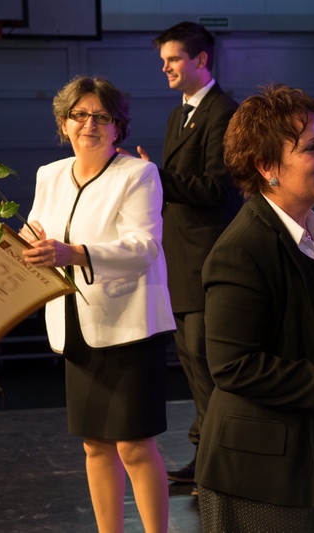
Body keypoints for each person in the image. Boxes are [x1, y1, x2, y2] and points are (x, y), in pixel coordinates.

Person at [195, 84, 314, 533]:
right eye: (311, 148)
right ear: (267, 168)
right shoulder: (242, 249)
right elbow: (233, 366)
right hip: (265, 479)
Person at [20, 75, 175, 533]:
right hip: (75, 324)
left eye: (102, 117)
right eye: (80, 115)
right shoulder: (49, 175)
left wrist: (75, 253)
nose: (90, 124)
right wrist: (27, 244)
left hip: (129, 327)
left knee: (134, 446)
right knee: (94, 444)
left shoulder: (138, 174)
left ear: (118, 127)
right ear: (63, 123)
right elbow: (38, 230)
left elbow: (144, 247)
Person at [121, 21, 242, 485]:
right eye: (164, 61)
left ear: (201, 60)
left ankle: (220, 459)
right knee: (193, 363)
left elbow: (218, 189)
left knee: (209, 361)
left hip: (207, 260)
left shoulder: (224, 113)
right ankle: (208, 454)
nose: (165, 68)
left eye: (173, 59)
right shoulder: (180, 114)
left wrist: (153, 177)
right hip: (180, 260)